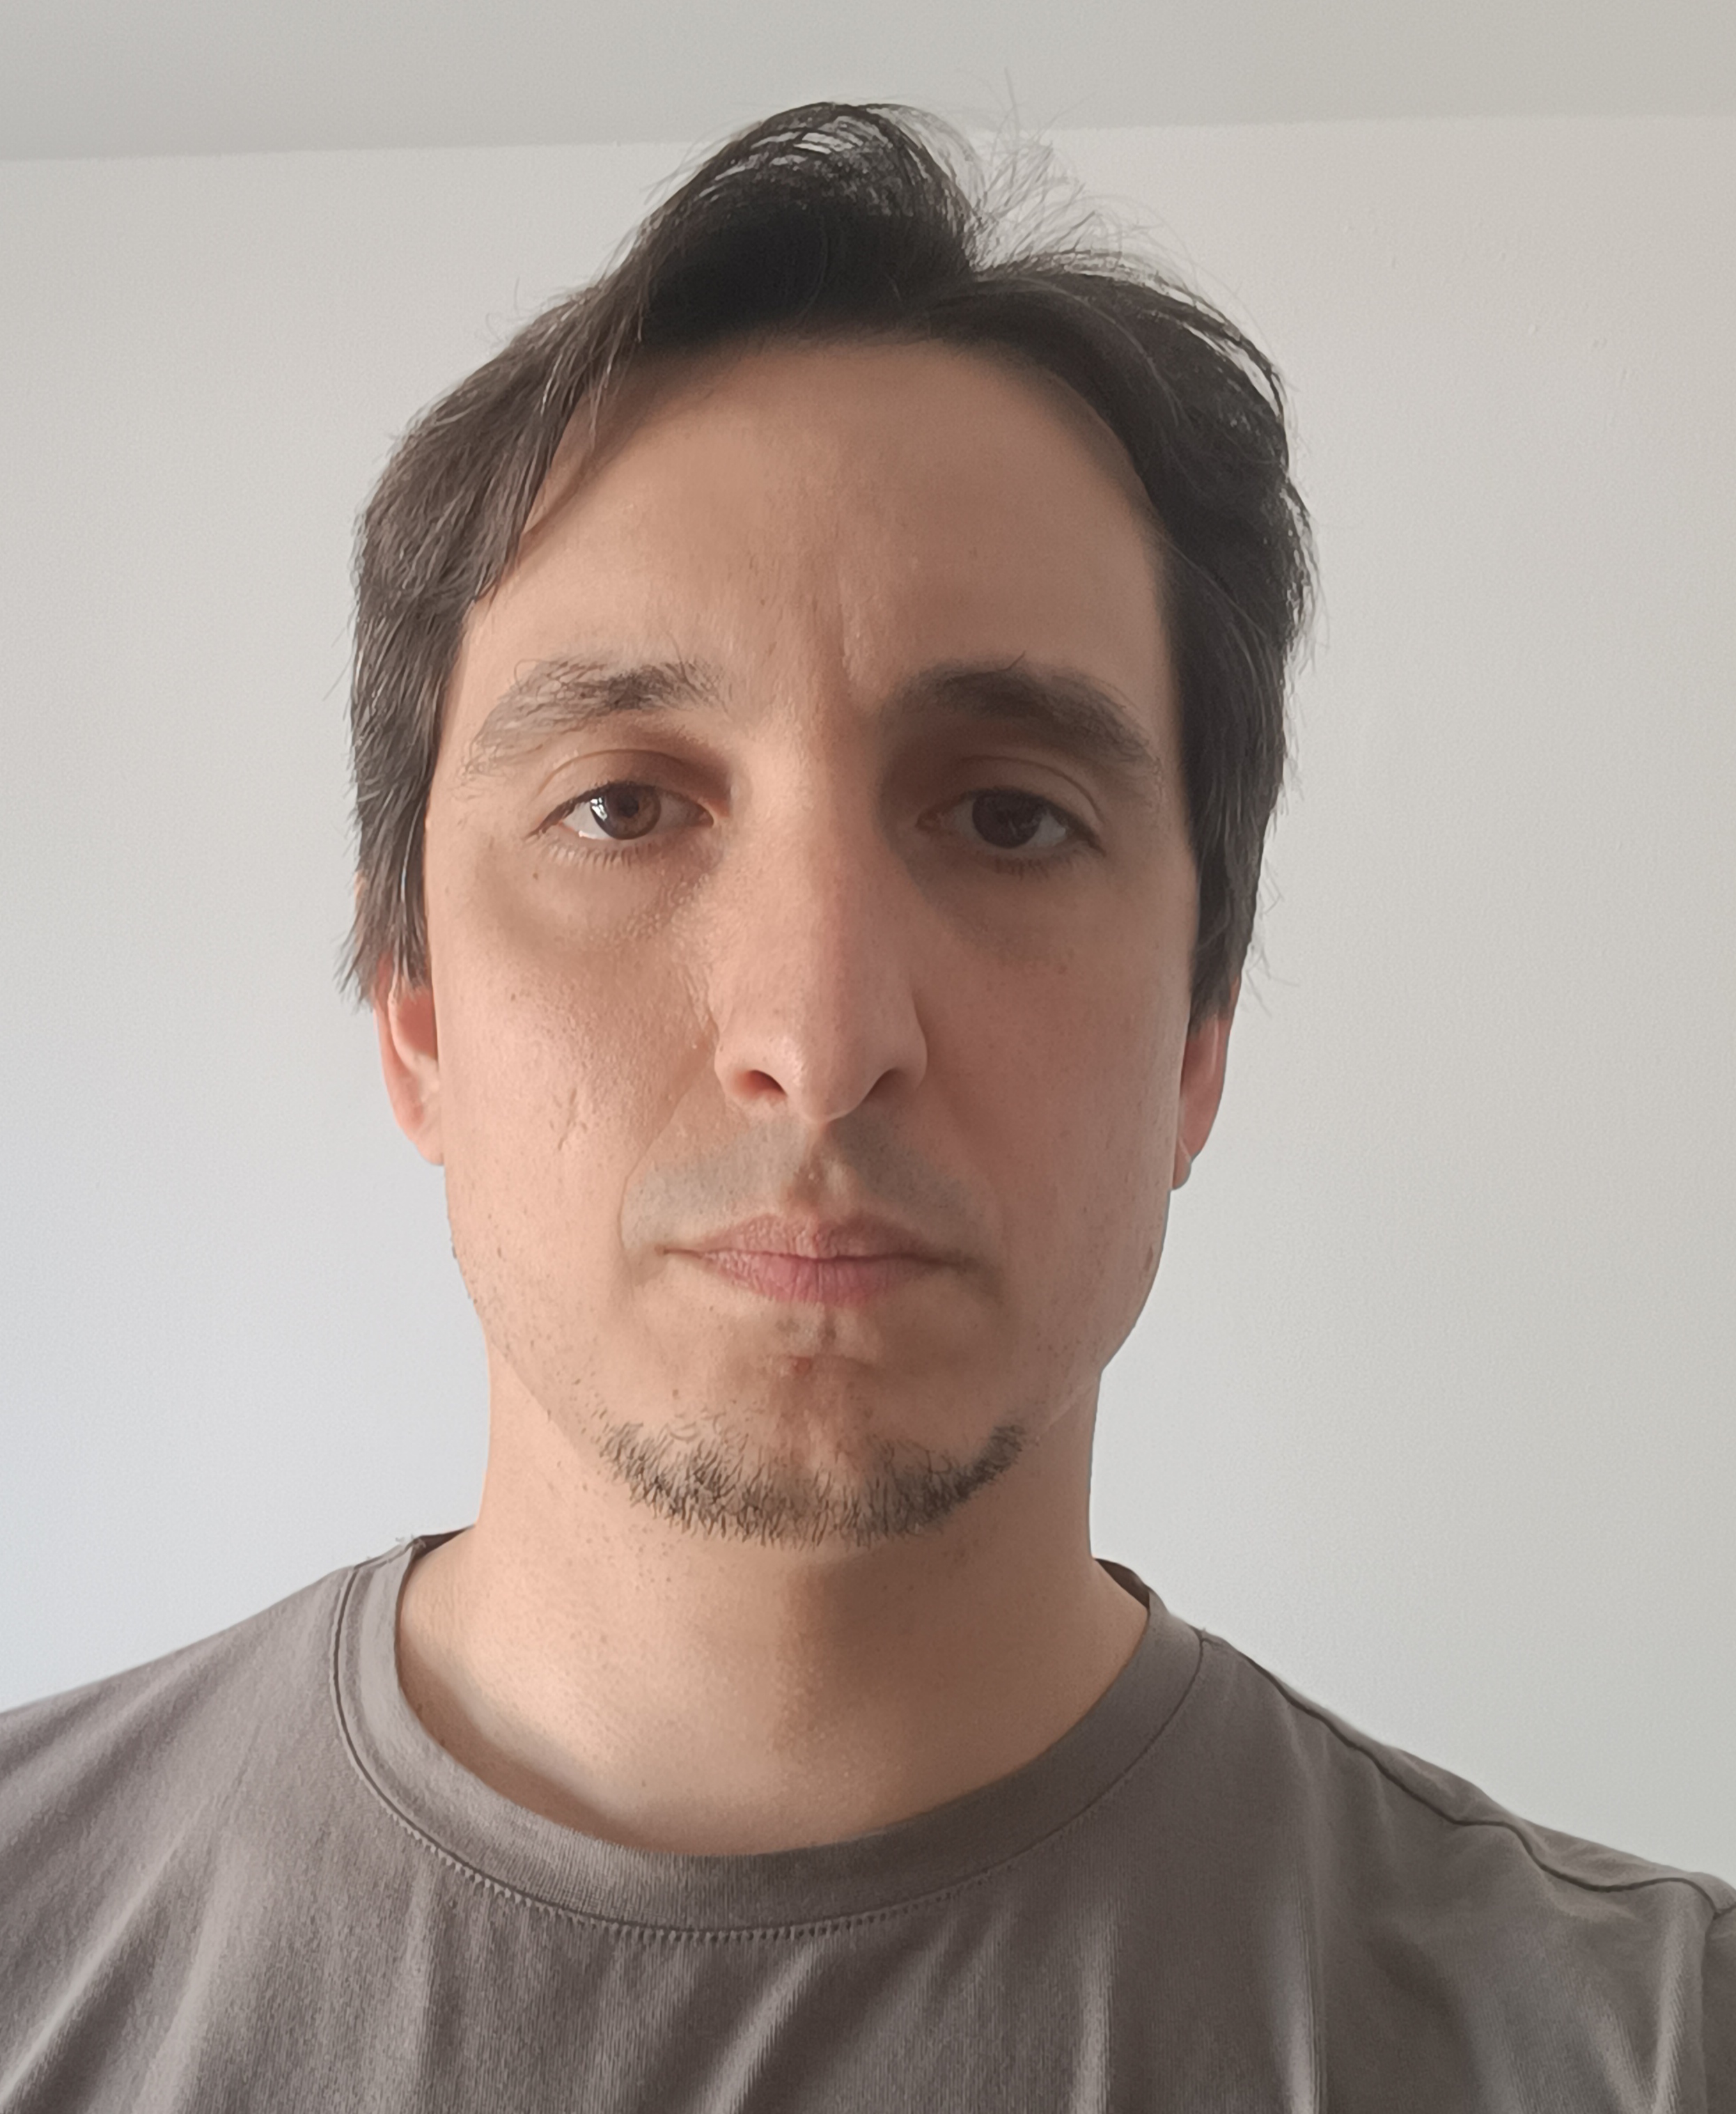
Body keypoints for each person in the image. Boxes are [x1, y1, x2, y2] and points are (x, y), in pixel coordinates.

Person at [0, 100, 1728, 2111]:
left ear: (1200, 1033)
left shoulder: (1656, 2046)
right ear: (418, 1014)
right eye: (623, 807)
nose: (821, 1039)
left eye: (1009, 817)